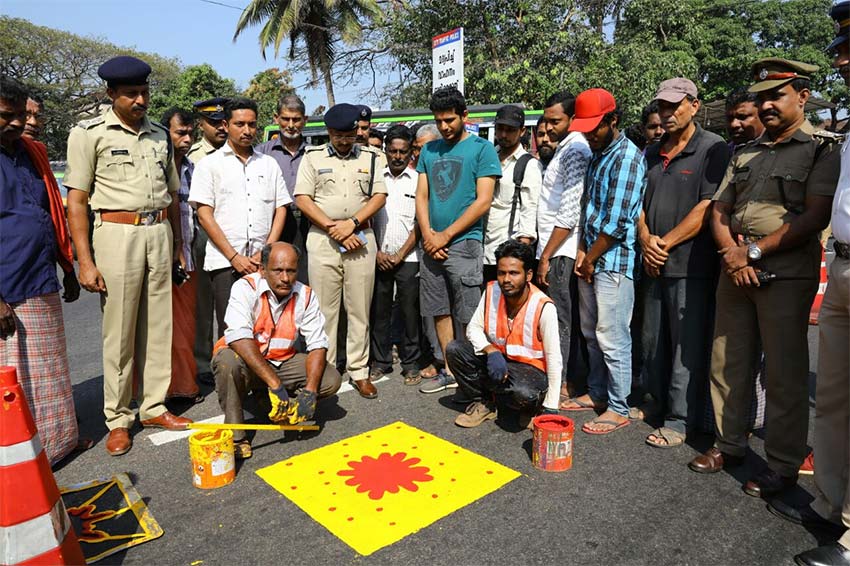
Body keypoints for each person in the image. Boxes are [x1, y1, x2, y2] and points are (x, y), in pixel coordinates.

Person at [688, 59, 841, 500]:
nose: (767, 104)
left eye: (777, 95)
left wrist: (752, 252)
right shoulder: (745, 152)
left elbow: (815, 215)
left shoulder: (821, 149)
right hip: (735, 268)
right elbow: (719, 210)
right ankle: (729, 445)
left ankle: (783, 464)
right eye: (762, 97)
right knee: (728, 362)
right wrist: (732, 255)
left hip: (783, 274)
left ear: (803, 96)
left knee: (784, 372)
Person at [64, 56, 193, 456]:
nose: (141, 100)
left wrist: (176, 246)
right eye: (131, 94)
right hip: (116, 234)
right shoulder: (89, 134)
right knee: (118, 333)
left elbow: (172, 195)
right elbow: (77, 202)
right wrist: (85, 261)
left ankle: (153, 406)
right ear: (111, 94)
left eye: (144, 92)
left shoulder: (158, 135)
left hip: (158, 232)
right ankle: (118, 418)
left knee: (159, 326)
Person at [767, 7, 850, 564]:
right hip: (843, 266)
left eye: (849, 50)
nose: (841, 59)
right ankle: (831, 502)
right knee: (836, 399)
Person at [637, 78, 729, 448]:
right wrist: (646, 240)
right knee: (653, 341)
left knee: (684, 348)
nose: (667, 113)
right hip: (653, 262)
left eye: (675, 106)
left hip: (690, 265)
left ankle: (679, 420)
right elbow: (638, 204)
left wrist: (664, 243)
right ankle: (656, 405)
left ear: (694, 105)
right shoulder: (653, 151)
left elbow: (708, 207)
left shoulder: (713, 148)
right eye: (662, 106)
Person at [0, 76, 82, 465]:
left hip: (40, 276)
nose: (17, 123)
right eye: (7, 115)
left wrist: (67, 266)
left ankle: (55, 444)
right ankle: (20, 457)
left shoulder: (32, 154)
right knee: (13, 377)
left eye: (21, 115)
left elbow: (50, 211)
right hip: (8, 287)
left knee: (50, 367)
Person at [211, 242, 342, 459]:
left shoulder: (306, 295)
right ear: (262, 269)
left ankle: (282, 405)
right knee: (228, 362)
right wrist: (275, 383)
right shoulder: (245, 288)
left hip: (281, 361)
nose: (285, 278)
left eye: (291, 271)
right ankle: (236, 436)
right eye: (278, 270)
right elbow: (238, 337)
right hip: (246, 361)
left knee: (330, 379)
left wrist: (309, 393)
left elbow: (318, 344)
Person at [293, 103, 388, 398]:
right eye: (339, 136)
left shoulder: (372, 157)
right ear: (330, 133)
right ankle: (329, 370)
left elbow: (379, 195)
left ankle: (359, 371)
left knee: (359, 308)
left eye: (350, 135)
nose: (345, 141)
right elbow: (302, 198)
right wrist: (334, 227)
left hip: (361, 238)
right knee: (325, 311)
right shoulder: (312, 157)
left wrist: (352, 224)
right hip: (323, 240)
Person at [567, 88, 646, 435]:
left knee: (612, 336)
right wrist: (583, 254)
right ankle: (597, 393)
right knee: (591, 333)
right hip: (592, 255)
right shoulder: (598, 153)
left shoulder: (627, 157)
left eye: (595, 127)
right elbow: (589, 209)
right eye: (585, 128)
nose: (589, 134)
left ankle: (618, 406)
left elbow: (616, 223)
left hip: (613, 260)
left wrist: (590, 257)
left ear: (614, 121)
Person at [415, 86, 501, 394]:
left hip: (464, 243)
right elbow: (421, 196)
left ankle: (471, 373)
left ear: (465, 115)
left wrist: (445, 236)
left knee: (467, 311)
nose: (444, 127)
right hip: (431, 244)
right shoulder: (429, 150)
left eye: (450, 120)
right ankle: (450, 370)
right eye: (438, 121)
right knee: (438, 307)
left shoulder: (482, 149)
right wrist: (428, 236)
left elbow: (483, 201)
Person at [189, 97, 290, 341]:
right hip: (225, 263)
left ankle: (267, 379)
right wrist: (234, 257)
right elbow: (204, 214)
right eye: (240, 124)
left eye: (252, 125)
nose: (247, 131)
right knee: (232, 331)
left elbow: (281, 209)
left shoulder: (269, 164)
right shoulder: (209, 165)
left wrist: (265, 252)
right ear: (226, 125)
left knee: (267, 326)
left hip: (263, 263)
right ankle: (232, 380)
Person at [449, 239, 561, 428]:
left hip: (530, 371)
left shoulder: (544, 306)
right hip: (499, 360)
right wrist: (490, 350)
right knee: (455, 349)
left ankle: (531, 408)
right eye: (502, 273)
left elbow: (554, 357)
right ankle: (486, 403)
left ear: (528, 275)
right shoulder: (492, 290)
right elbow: (473, 328)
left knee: (524, 393)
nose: (506, 280)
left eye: (514, 273)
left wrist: (551, 406)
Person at [535, 91, 592, 406]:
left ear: (572, 119)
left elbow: (569, 214)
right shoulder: (565, 149)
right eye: (547, 120)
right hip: (555, 247)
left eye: (556, 120)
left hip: (562, 250)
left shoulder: (575, 151)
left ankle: (566, 383)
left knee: (561, 320)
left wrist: (546, 255)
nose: (550, 126)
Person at [370, 125, 429, 385]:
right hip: (378, 256)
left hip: (409, 258)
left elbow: (421, 222)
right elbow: (367, 219)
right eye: (392, 151)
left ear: (410, 153)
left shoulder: (418, 180)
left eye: (402, 152)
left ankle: (411, 364)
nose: (397, 156)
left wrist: (401, 253)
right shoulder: (374, 178)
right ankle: (380, 362)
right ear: (385, 150)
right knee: (379, 312)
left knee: (409, 313)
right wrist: (378, 252)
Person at [161, 107, 203, 403]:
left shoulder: (193, 168)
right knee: (159, 329)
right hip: (158, 257)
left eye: (190, 133)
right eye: (180, 133)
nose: (187, 138)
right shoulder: (156, 167)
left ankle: (184, 386)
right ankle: (156, 391)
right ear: (166, 133)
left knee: (185, 328)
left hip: (187, 257)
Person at [188, 97, 229, 385]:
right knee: (203, 305)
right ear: (201, 125)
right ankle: (203, 363)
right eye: (214, 123)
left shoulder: (238, 152)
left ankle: (230, 356)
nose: (221, 128)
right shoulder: (192, 156)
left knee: (233, 304)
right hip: (201, 237)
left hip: (234, 237)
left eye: (223, 122)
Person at [483, 105, 542, 282]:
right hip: (481, 250)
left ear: (522, 131)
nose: (503, 135)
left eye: (510, 130)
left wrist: (520, 254)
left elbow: (529, 209)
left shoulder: (528, 165)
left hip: (508, 254)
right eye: (500, 129)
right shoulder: (487, 156)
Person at [411, 122, 444, 380]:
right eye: (417, 149)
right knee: (430, 310)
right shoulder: (413, 174)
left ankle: (454, 362)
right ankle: (437, 358)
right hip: (425, 249)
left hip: (448, 245)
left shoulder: (446, 171)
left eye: (426, 148)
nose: (420, 154)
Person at [255, 94, 309, 247]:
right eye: (286, 119)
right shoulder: (261, 154)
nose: (291, 125)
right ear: (276, 118)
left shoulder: (314, 154)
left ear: (305, 120)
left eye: (296, 119)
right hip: (274, 223)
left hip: (308, 222)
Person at [725, 88, 765, 153]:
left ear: (762, 114)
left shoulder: (778, 149)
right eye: (729, 118)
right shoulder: (725, 153)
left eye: (742, 117)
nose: (733, 124)